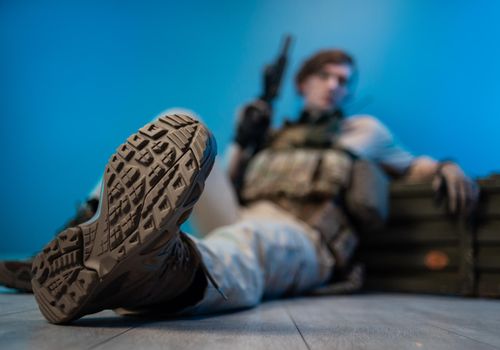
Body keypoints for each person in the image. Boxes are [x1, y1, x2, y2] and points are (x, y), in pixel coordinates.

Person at [11, 50, 480, 324]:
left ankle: (163, 272)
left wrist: (448, 166)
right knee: (182, 121)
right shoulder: (270, 133)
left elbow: (415, 166)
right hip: (244, 214)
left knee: (249, 243)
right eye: (327, 76)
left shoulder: (364, 131)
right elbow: (221, 179)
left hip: (306, 237)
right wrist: (246, 138)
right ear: (303, 82)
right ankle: (84, 236)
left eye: (345, 81)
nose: (337, 86)